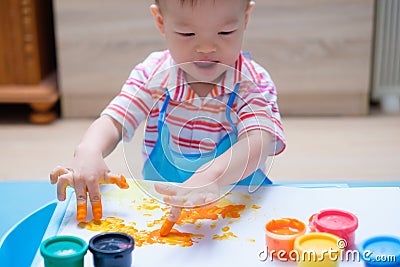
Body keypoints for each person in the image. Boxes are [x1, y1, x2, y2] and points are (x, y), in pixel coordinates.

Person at [50, 0, 286, 224]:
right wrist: (89, 149)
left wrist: (211, 178)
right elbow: (115, 120)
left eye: (225, 32)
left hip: (239, 211)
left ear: (245, 19)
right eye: (187, 34)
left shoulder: (250, 83)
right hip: (164, 210)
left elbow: (259, 140)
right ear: (161, 21)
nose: (206, 47)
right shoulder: (153, 74)